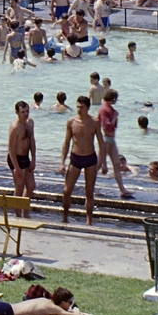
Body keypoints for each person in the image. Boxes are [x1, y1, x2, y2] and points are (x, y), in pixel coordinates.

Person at [60, 95, 102, 225]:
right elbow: (66, 142)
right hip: (76, 158)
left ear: (88, 108)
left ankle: (89, 221)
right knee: (67, 191)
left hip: (90, 158)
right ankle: (65, 217)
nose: (79, 109)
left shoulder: (94, 122)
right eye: (78, 107)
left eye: (82, 107)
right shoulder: (71, 122)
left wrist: (102, 163)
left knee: (89, 192)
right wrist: (62, 162)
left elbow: (101, 142)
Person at [6, 101, 36, 213]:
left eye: (27, 111)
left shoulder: (30, 123)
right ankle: (18, 215)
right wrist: (16, 168)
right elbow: (11, 149)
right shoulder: (15, 127)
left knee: (31, 186)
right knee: (19, 187)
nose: (25, 114)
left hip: (25, 157)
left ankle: (25, 212)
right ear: (17, 112)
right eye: (22, 112)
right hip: (16, 158)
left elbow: (32, 141)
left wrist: (33, 159)